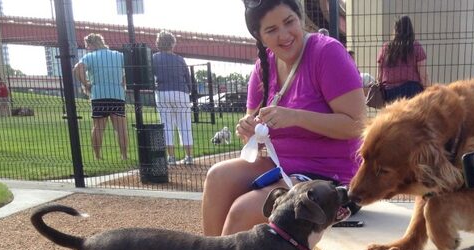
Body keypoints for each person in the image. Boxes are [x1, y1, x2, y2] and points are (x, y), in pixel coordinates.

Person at [201, 0, 365, 236]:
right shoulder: (263, 67)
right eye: (271, 30)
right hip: (284, 167)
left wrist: (296, 116)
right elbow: (254, 134)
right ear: (259, 36)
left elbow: (357, 126)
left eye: (289, 22)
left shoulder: (326, 52)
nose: (284, 35)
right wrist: (249, 131)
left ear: (299, 18)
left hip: (335, 179)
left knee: (243, 210)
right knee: (217, 176)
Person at [73, 33, 128, 160]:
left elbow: (77, 68)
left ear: (91, 44)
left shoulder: (90, 56)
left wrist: (86, 84)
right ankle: (124, 156)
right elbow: (130, 69)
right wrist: (123, 82)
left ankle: (97, 156)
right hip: (117, 94)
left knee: (98, 127)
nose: (87, 48)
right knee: (121, 128)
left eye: (87, 45)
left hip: (98, 95)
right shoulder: (118, 55)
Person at [152, 31, 194, 166]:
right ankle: (189, 156)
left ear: (158, 43)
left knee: (166, 125)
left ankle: (171, 157)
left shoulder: (154, 58)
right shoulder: (180, 59)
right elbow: (188, 78)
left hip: (163, 92)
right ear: (172, 43)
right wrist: (190, 91)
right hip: (181, 92)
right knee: (185, 125)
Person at [376, 15, 427, 103]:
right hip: (411, 90)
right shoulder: (416, 47)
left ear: (395, 29)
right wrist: (428, 91)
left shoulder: (385, 48)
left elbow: (379, 75)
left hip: (389, 91)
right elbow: (423, 76)